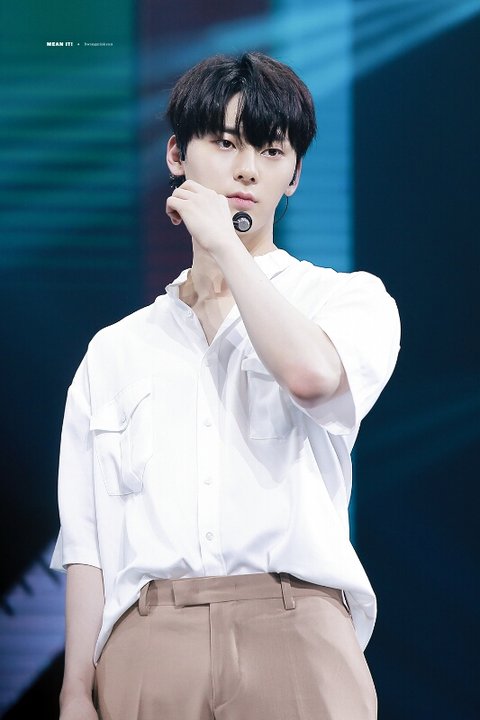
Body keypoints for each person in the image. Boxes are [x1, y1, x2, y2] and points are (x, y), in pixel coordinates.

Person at [51, 51, 400, 720]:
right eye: (225, 143)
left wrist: (227, 251)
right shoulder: (116, 350)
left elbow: (311, 377)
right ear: (176, 155)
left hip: (296, 623)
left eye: (271, 151)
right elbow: (89, 539)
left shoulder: (345, 300)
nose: (247, 170)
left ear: (294, 175)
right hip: (150, 636)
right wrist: (74, 691)